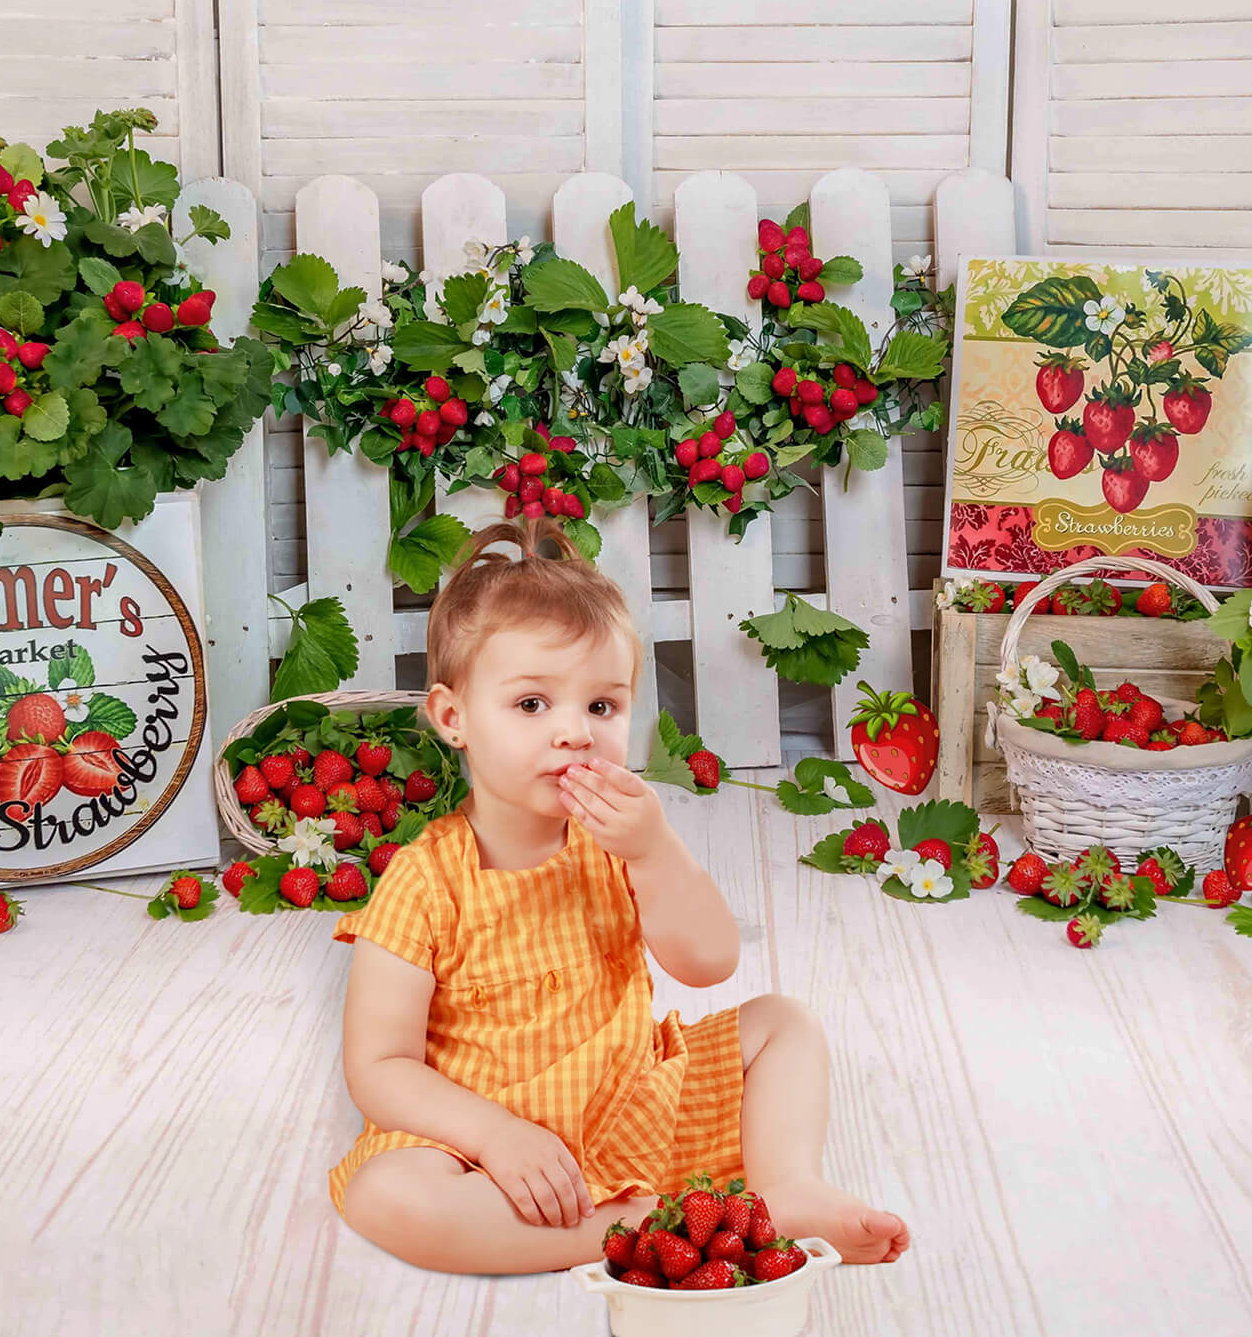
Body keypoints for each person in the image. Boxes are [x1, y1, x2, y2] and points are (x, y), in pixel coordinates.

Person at [329, 517, 911, 1274]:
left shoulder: (618, 843)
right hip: (485, 1144)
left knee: (783, 1025)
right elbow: (380, 1066)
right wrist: (496, 1136)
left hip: (633, 1108)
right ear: (453, 717)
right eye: (533, 704)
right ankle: (646, 1222)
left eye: (601, 707)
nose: (575, 732)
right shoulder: (423, 879)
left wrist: (653, 850)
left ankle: (785, 1189)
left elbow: (709, 963)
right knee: (391, 1195)